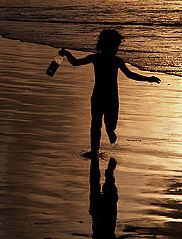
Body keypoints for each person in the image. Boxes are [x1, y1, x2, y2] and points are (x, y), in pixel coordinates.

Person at [59, 29, 160, 157]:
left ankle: (109, 132)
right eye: (115, 46)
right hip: (106, 97)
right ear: (107, 46)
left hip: (102, 97)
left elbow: (130, 75)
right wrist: (67, 53)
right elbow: (75, 62)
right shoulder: (103, 59)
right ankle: (95, 149)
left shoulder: (109, 60)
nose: (116, 49)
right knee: (96, 123)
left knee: (105, 123)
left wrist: (148, 78)